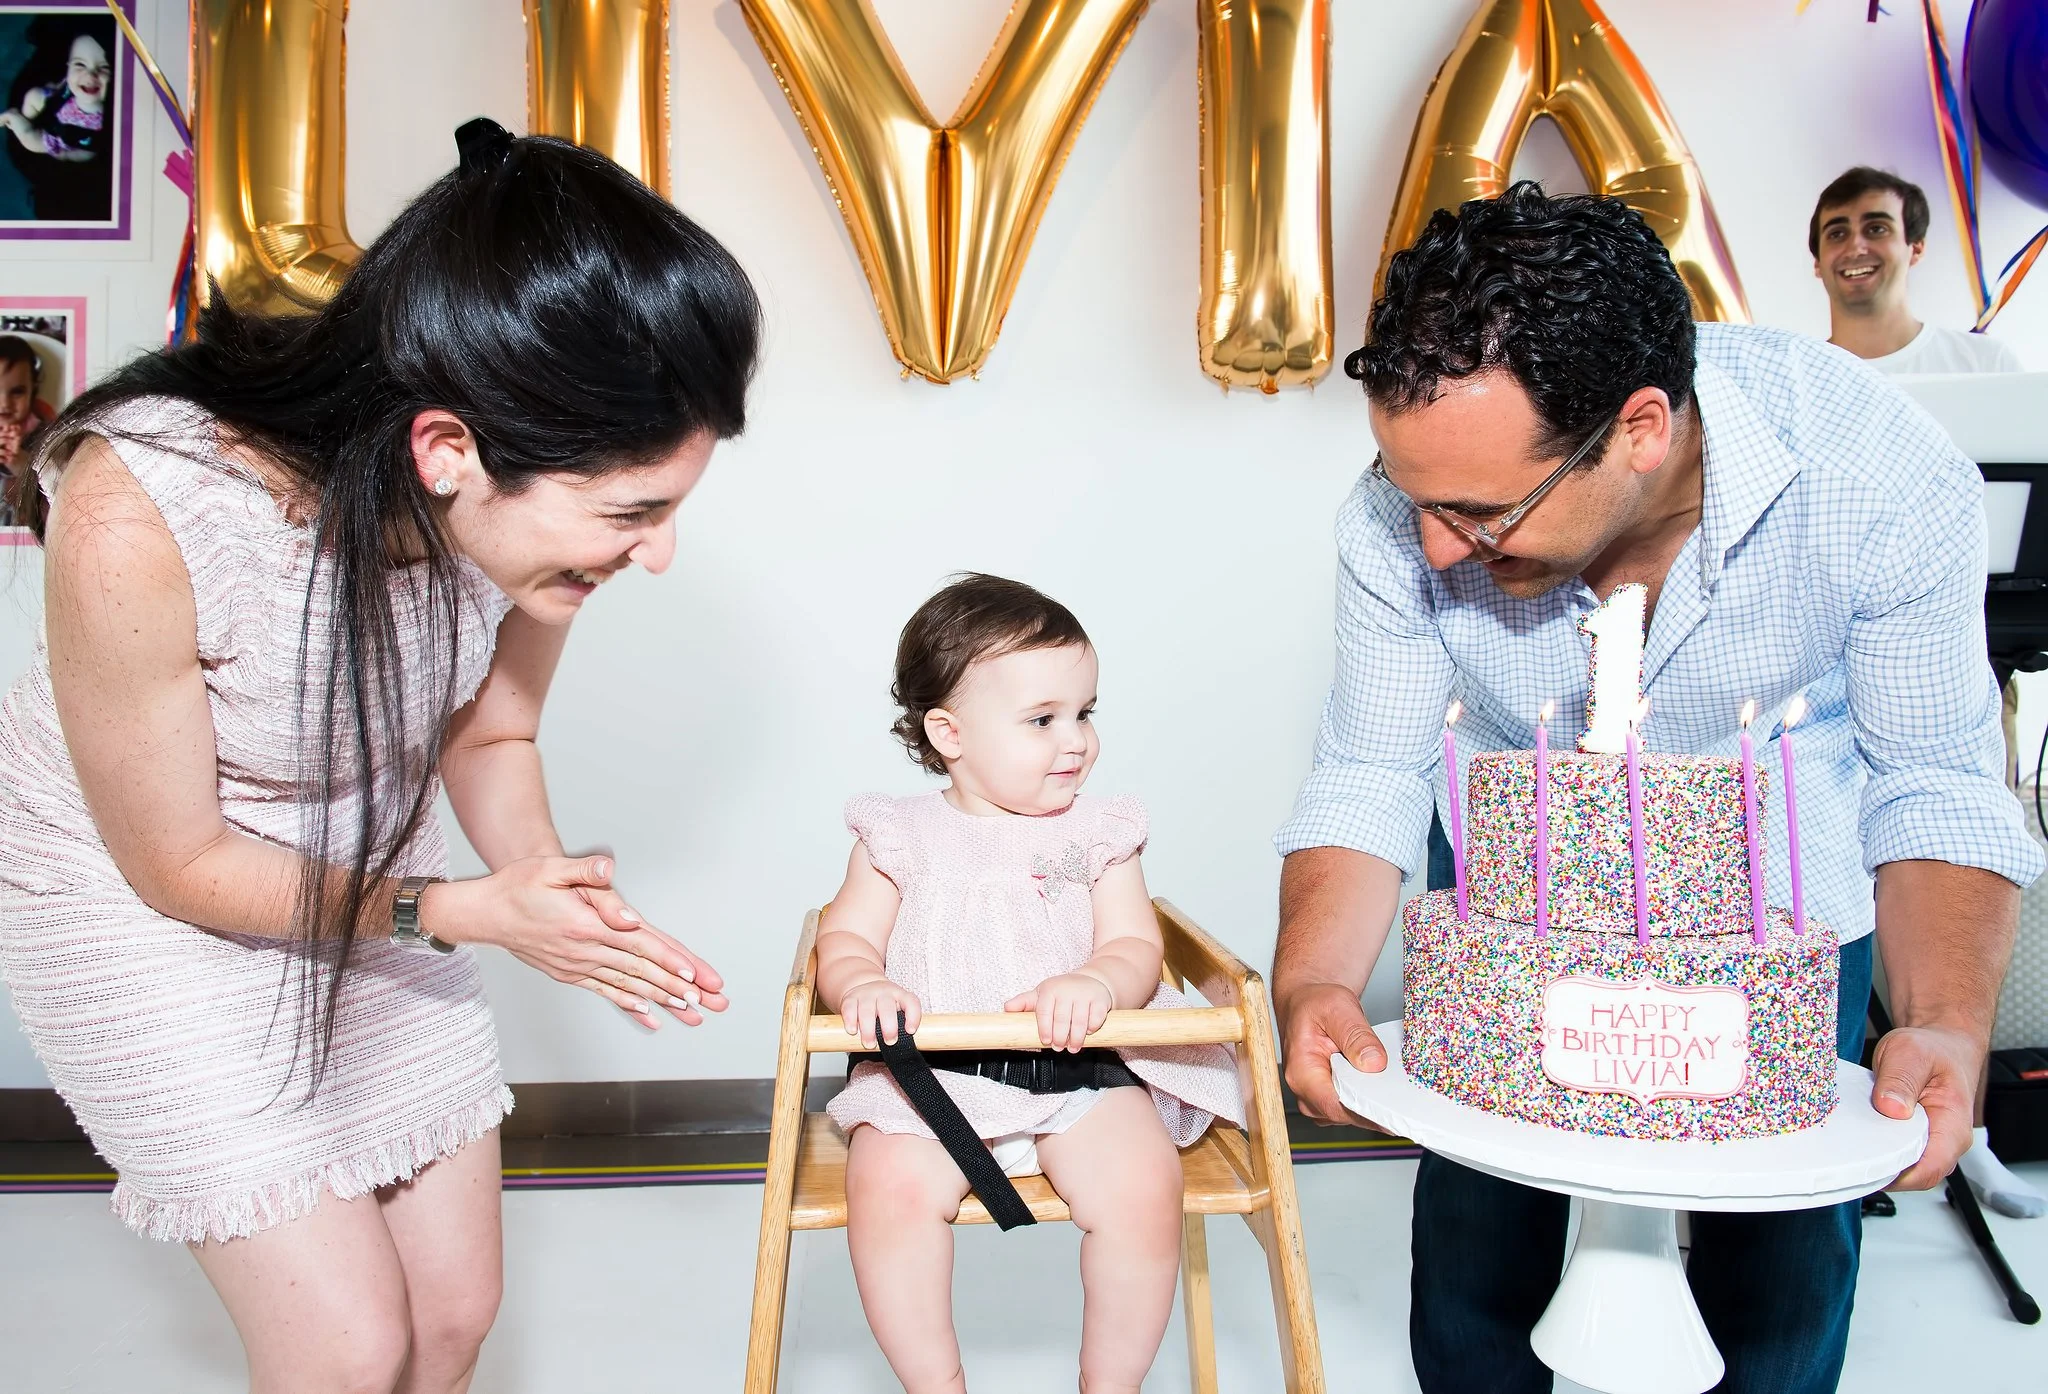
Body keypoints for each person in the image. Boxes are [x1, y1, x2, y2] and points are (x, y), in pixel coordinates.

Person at [0, 119, 756, 1394]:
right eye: (634, 511)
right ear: (448, 449)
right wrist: (462, 910)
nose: (658, 552)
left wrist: (544, 891)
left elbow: (493, 726)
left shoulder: (521, 519)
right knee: (346, 1346)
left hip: (366, 854)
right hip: (139, 892)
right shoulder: (140, 512)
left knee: (453, 1310)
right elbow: (178, 860)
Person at [1275, 181, 2039, 1394]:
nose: (1427, 545)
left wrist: (1942, 1018)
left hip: (1784, 908)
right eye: (1411, 496)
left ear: (1638, 427)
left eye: (1478, 512)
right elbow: (1370, 765)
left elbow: (1931, 775)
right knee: (1478, 1240)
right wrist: (1315, 977)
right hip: (1511, 907)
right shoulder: (1395, 521)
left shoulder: (1881, 477)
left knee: (1781, 1264)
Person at [818, 574, 1242, 1394]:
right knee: (889, 1198)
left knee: (1144, 1189)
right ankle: (936, 1383)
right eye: (1042, 720)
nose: (1076, 740)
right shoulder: (898, 835)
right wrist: (862, 981)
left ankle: (1109, 1384)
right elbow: (843, 936)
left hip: (1081, 1071)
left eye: (1085, 712)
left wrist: (1099, 979)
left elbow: (1134, 943)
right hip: (930, 1082)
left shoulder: (1098, 834)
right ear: (950, 733)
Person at [1814, 164, 2048, 1221]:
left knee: (1948, 885)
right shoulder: (1805, 381)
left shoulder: (1976, 368)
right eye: (1833, 231)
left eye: (1873, 225)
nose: (1853, 245)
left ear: (1911, 246)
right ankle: (1858, 1105)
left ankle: (1972, 1126)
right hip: (1827, 698)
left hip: (1958, 669)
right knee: (1835, 904)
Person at [1811, 165, 2026, 372]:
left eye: (1876, 229)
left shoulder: (1987, 364)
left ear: (1916, 249)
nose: (1855, 248)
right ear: (1818, 262)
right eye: (1837, 234)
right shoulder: (1792, 379)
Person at [0, 334, 47, 526]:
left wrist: (21, 465)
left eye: (17, 391)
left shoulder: (43, 433)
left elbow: (52, 488)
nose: (4, 404)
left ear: (33, 390)